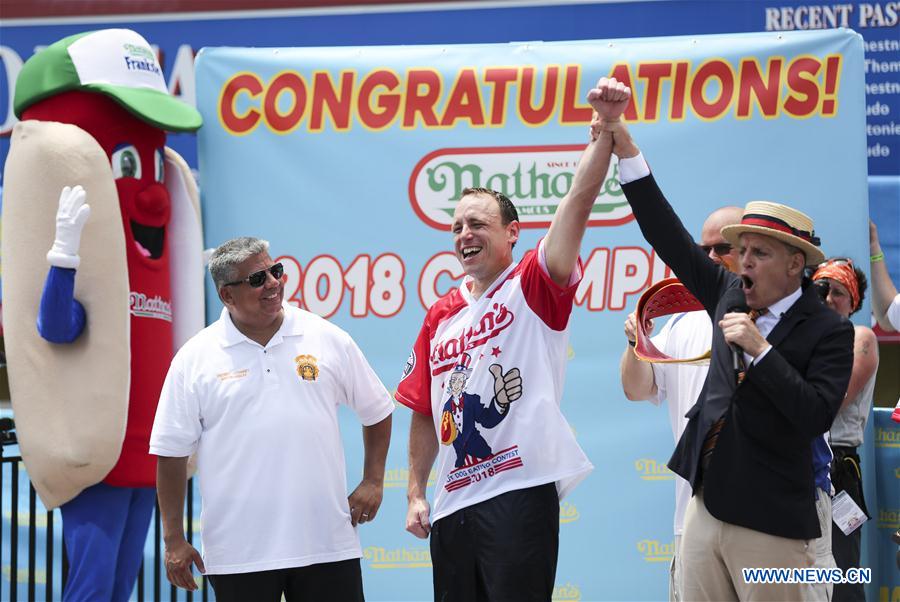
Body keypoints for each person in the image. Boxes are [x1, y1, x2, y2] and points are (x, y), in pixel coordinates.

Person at [599, 102, 855, 601]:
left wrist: (760, 350)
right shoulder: (727, 294)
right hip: (705, 506)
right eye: (741, 251)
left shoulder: (829, 331)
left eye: (758, 253)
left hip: (775, 518)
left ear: (795, 264)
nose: (743, 263)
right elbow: (663, 230)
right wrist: (625, 147)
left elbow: (813, 414)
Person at [395, 77, 631, 601]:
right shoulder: (441, 312)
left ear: (512, 233)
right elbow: (422, 408)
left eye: (477, 223)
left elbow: (577, 203)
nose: (463, 235)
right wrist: (415, 492)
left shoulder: (532, 282)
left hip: (519, 491)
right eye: (456, 226)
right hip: (453, 504)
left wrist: (604, 135)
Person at [150, 237, 393, 601]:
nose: (273, 283)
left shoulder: (326, 337)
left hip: (326, 544)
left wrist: (373, 480)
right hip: (238, 553)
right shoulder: (194, 358)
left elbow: (377, 409)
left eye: (275, 271)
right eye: (257, 279)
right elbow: (170, 452)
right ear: (227, 296)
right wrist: (172, 538)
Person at [619, 206, 742, 602]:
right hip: (693, 516)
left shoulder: (775, 315)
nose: (709, 258)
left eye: (721, 248)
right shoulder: (682, 323)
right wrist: (637, 341)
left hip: (764, 517)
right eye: (702, 249)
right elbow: (638, 390)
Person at [812, 258, 879, 602]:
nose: (828, 298)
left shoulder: (861, 337)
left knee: (843, 573)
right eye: (821, 289)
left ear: (853, 303)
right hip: (798, 464)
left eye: (838, 292)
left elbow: (829, 400)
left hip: (840, 472)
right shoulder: (798, 337)